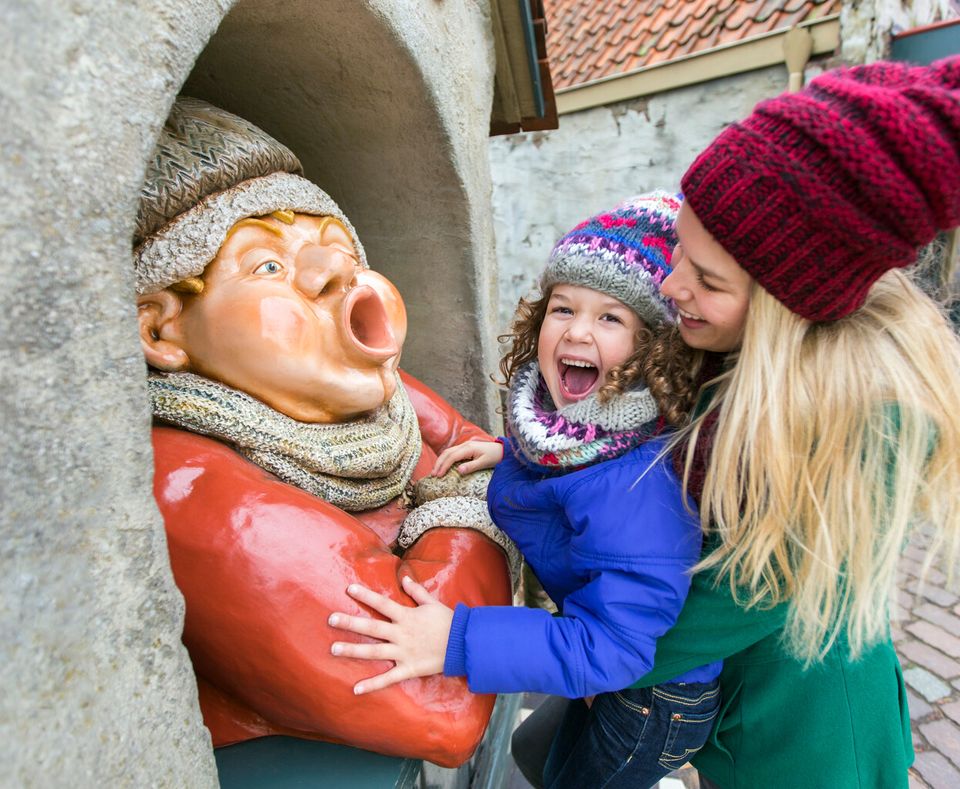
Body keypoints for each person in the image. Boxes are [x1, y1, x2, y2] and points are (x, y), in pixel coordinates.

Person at [525, 57, 960, 789]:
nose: (671, 286)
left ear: (790, 300)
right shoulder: (733, 347)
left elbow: (738, 595)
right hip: (726, 704)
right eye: (680, 254)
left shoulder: (853, 426)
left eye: (707, 279)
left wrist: (594, 656)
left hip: (803, 745)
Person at [134, 97, 516, 766]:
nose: (335, 272)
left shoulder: (370, 402)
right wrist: (463, 498)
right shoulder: (195, 492)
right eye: (268, 267)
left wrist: (456, 484)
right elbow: (442, 705)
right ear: (162, 329)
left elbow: (468, 445)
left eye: (338, 250)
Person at [329, 192, 724, 789]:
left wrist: (458, 640)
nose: (577, 331)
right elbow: (575, 459)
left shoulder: (638, 486)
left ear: (653, 349)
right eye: (563, 308)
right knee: (542, 756)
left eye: (611, 317)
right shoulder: (576, 428)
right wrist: (508, 449)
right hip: (607, 663)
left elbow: (616, 647)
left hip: (653, 701)